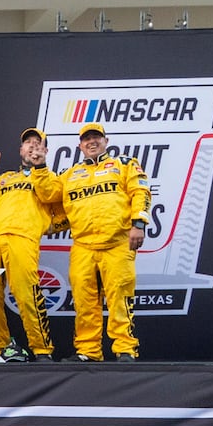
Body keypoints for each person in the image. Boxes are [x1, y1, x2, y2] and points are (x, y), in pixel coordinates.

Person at [56, 123, 150, 361]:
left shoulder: (124, 164)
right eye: (86, 139)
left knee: (120, 298)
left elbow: (141, 191)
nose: (91, 142)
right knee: (84, 302)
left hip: (117, 243)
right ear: (80, 145)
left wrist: (138, 224)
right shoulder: (69, 175)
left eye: (96, 137)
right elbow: (51, 201)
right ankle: (88, 351)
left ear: (106, 141)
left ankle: (125, 349)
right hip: (82, 246)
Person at [0, 128, 64, 362]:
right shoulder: (5, 178)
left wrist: (40, 167)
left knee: (27, 295)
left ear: (45, 150)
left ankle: (42, 349)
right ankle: (0, 348)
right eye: (28, 144)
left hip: (22, 238)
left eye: (38, 144)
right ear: (20, 149)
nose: (32, 147)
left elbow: (52, 197)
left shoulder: (51, 178)